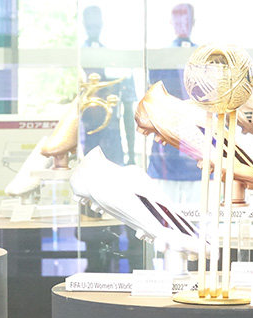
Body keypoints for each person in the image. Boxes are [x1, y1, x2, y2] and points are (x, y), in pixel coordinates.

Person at [146, 3, 202, 204]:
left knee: (199, 213)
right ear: (171, 22)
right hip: (166, 149)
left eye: (186, 19)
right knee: (164, 213)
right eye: (178, 19)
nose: (182, 24)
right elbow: (151, 103)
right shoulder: (160, 58)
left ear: (193, 22)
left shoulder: (205, 58)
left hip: (199, 145)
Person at [81, 5, 137, 165]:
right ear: (84, 25)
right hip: (87, 138)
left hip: (112, 141)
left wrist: (131, 155)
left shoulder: (115, 61)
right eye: (90, 25)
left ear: (102, 24)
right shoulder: (79, 62)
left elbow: (128, 112)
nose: (93, 29)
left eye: (96, 25)